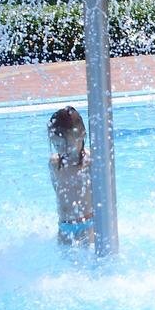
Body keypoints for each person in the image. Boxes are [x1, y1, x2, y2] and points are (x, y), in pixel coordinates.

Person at [47, 106, 94, 247]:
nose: (62, 150)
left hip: (88, 224)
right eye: (56, 145)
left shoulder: (91, 162)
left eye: (66, 145)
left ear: (81, 135)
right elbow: (57, 190)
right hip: (64, 226)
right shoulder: (55, 164)